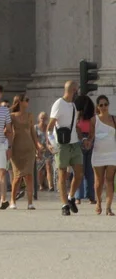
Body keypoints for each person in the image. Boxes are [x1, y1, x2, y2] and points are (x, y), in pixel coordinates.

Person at [47, 81, 83, 216]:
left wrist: (83, 138)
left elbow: (75, 126)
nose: (77, 93)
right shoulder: (59, 104)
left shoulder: (73, 105)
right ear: (73, 90)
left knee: (79, 173)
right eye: (77, 90)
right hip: (61, 144)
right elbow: (50, 127)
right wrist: (50, 143)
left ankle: (71, 197)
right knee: (62, 174)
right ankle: (64, 205)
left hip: (74, 143)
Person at [8, 94, 42, 210]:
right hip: (16, 148)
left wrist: (37, 145)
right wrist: (8, 147)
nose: (28, 102)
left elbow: (32, 131)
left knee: (29, 175)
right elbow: (8, 132)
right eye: (26, 100)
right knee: (17, 177)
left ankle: (30, 202)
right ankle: (12, 200)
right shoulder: (11, 116)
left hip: (29, 148)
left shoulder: (30, 115)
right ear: (20, 102)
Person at [89, 95, 116, 216]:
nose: (104, 107)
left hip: (112, 154)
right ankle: (99, 202)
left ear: (108, 105)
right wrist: (88, 142)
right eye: (101, 105)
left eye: (106, 104)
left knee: (110, 181)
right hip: (98, 154)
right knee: (99, 182)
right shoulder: (94, 120)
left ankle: (109, 207)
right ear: (98, 107)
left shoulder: (114, 119)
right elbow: (90, 137)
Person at [74, 95, 96, 204]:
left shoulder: (77, 117)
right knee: (89, 171)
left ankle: (78, 196)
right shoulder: (92, 117)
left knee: (79, 170)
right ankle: (91, 196)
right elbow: (93, 130)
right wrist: (90, 141)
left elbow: (76, 130)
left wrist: (83, 140)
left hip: (80, 140)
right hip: (90, 141)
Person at [35, 112, 55, 191]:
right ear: (39, 119)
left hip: (47, 150)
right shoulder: (35, 127)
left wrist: (48, 145)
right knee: (40, 169)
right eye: (41, 118)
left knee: (48, 166)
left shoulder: (48, 127)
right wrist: (39, 145)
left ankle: (50, 185)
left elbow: (49, 138)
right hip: (39, 150)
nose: (43, 120)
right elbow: (35, 138)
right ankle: (41, 185)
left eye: (44, 118)